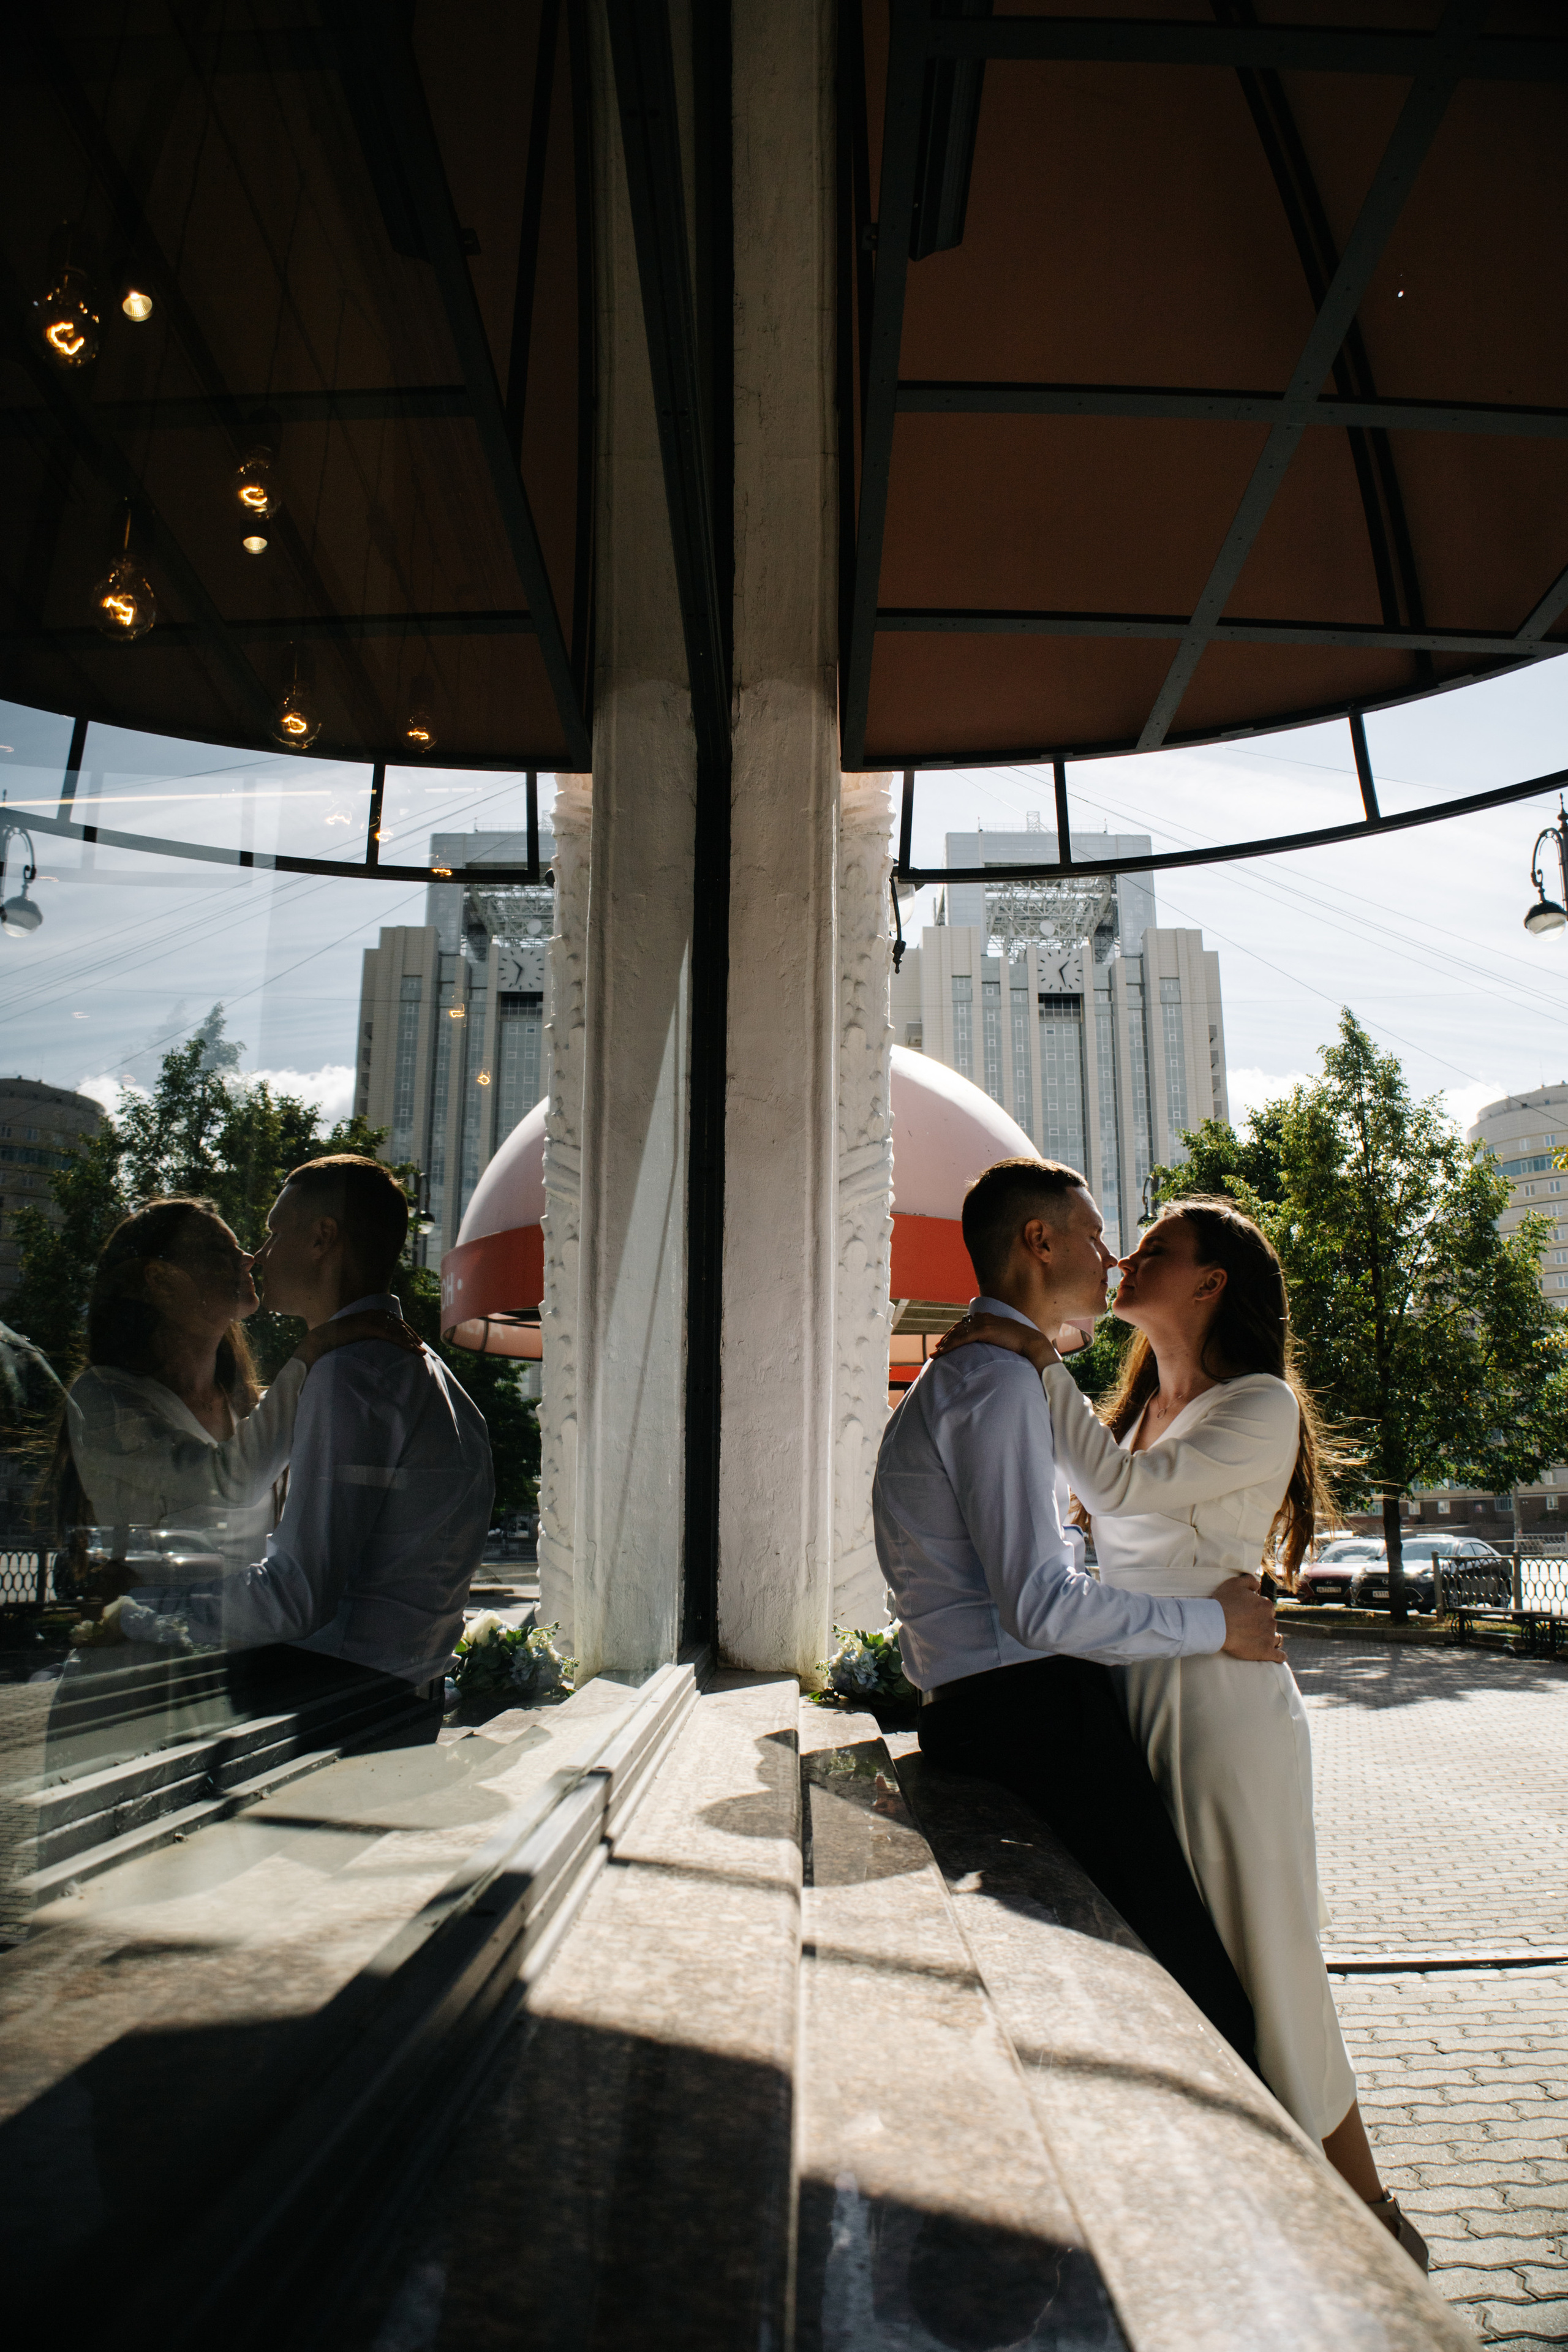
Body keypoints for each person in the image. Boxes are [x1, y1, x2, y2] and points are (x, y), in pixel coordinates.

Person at [937, 1193, 1428, 2270]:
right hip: (1132, 1698)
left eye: (1155, 1248)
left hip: (1222, 1716)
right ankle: (1255, 2211)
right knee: (1186, 1959)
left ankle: (1375, 2236)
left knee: (1270, 1964)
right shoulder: (1134, 1407)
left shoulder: (1258, 1406)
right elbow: (1083, 1539)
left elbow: (1117, 1491)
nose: (1125, 1256)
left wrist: (1028, 1351)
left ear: (1209, 1283)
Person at [873, 1156, 1281, 2074]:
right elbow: (1041, 1606)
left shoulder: (985, 1376)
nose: (1111, 1260)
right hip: (1033, 1720)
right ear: (1038, 1241)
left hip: (1001, 1710)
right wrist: (1220, 1625)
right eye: (1097, 1237)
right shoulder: (998, 1384)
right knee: (1200, 2006)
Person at [110, 1155, 494, 1693]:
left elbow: (296, 1598)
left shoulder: (348, 1377)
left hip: (332, 1700)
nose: (258, 1256)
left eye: (272, 1234)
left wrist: (136, 1611)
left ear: (321, 1238)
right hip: (398, 1694)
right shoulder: (431, 1374)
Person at [58, 1195, 417, 1580]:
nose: (250, 1259)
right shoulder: (102, 1397)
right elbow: (224, 1483)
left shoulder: (252, 1406)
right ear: (160, 1280)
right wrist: (314, 1348)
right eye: (218, 1252)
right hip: (151, 1635)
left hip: (248, 1636)